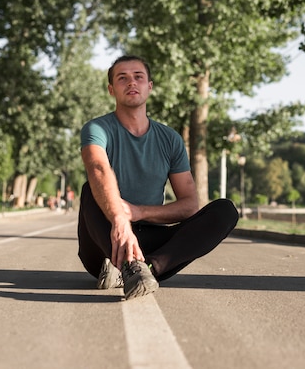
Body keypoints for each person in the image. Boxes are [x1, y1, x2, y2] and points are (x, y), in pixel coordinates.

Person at [77, 54, 239, 300]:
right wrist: (120, 219)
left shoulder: (170, 139)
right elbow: (98, 168)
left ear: (149, 87)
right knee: (90, 188)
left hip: (150, 238)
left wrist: (138, 212)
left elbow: (188, 205)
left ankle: (145, 268)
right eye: (122, 78)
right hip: (103, 241)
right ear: (111, 89)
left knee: (225, 210)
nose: (131, 82)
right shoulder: (97, 129)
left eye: (138, 77)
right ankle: (121, 265)